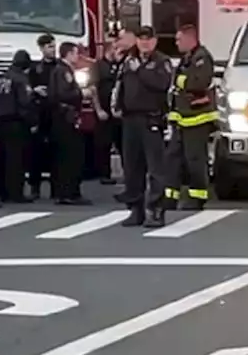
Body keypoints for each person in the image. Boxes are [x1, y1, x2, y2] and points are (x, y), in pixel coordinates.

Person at [113, 26, 175, 227]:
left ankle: (156, 210)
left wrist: (139, 70)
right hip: (130, 120)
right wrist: (118, 105)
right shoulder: (128, 61)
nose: (145, 43)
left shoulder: (161, 62)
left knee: (155, 169)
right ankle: (135, 209)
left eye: (148, 39)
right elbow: (120, 84)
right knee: (132, 167)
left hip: (151, 120)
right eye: (141, 39)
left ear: (155, 41)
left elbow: (162, 84)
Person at [164, 23, 217, 213]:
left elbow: (199, 82)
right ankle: (170, 197)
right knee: (173, 159)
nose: (176, 43)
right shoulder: (188, 58)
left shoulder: (202, 57)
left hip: (198, 118)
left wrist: (179, 80)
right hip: (182, 118)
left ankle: (197, 198)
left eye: (179, 39)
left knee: (195, 159)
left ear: (190, 39)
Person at [0, 49, 36, 204]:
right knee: (16, 161)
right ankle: (16, 193)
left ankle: (3, 192)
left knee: (2, 161)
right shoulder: (21, 79)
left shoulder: (1, 78)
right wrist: (32, 121)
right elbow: (25, 102)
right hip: (16, 124)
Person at [47, 42, 90, 205]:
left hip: (63, 117)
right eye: (75, 53)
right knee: (70, 156)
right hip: (65, 118)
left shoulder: (60, 70)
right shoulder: (63, 71)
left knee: (67, 155)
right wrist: (81, 93)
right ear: (68, 54)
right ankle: (68, 192)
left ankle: (66, 191)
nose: (77, 57)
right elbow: (63, 94)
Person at [27, 33, 59, 201]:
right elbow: (27, 90)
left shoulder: (59, 66)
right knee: (36, 153)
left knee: (56, 152)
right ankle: (35, 186)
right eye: (49, 47)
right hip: (40, 113)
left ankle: (56, 187)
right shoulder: (35, 69)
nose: (52, 50)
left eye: (53, 46)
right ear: (41, 48)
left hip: (55, 112)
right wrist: (35, 90)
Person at [93, 40, 123, 186]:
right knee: (104, 144)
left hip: (118, 111)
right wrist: (98, 109)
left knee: (123, 143)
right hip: (104, 110)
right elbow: (93, 89)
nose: (118, 51)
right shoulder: (98, 66)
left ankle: (128, 173)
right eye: (115, 48)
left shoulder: (121, 65)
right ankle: (105, 174)